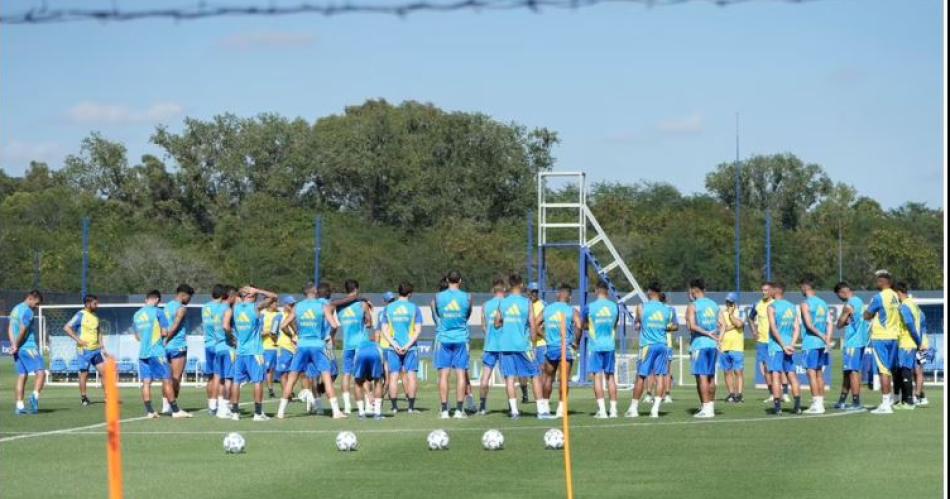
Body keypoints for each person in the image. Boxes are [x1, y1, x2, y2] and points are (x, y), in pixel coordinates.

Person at [277, 283, 345, 419]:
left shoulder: (298, 306)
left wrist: (294, 337)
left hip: (302, 345)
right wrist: (328, 337)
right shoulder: (322, 306)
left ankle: (280, 412)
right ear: (315, 292)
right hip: (318, 345)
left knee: (292, 379)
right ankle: (336, 411)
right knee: (326, 378)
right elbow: (334, 325)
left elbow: (283, 325)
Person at [493, 274, 546, 419]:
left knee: (510, 377)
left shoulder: (503, 302)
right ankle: (541, 411)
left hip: (506, 345)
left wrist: (507, 322)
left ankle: (514, 411)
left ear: (509, 285)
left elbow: (496, 323)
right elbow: (533, 325)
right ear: (521, 284)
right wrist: (534, 344)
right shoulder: (526, 302)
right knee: (535, 375)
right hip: (522, 345)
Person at [133, 290, 191, 418]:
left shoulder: (137, 315)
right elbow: (165, 332)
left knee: (146, 382)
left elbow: (137, 337)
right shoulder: (158, 312)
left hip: (143, 353)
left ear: (146, 299)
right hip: (157, 352)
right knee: (167, 380)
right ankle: (175, 410)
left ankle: (150, 411)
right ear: (157, 300)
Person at [228, 286, 277, 421]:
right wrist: (259, 290)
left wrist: (245, 291)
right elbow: (274, 297)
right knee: (258, 381)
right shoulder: (254, 308)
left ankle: (235, 413)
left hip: (240, 351)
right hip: (255, 351)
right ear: (251, 296)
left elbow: (238, 297)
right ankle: (257, 413)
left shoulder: (236, 308)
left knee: (236, 382)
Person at [626, 282, 673, 418]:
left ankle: (634, 408)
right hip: (662, 345)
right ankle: (655, 409)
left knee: (641, 376)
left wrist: (640, 324)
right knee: (661, 376)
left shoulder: (641, 307)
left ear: (651, 292)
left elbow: (638, 323)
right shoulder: (667, 310)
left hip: (647, 345)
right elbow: (671, 325)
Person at [434, 271, 474, 419]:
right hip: (461, 338)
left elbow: (439, 314)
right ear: (460, 280)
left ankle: (444, 410)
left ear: (446, 279)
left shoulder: (438, 297)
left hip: (444, 338)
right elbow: (467, 315)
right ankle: (459, 410)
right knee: (460, 374)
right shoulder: (467, 297)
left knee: (444, 374)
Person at [379, 282, 423, 415]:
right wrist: (407, 345)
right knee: (411, 376)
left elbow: (384, 330)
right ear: (410, 294)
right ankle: (410, 408)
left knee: (393, 376)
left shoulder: (389, 308)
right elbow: (418, 330)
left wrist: (394, 344)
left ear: (398, 293)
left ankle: (394, 407)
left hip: (393, 348)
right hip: (410, 348)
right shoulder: (415, 308)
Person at [539, 283, 581, 419]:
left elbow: (535, 323)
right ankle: (561, 409)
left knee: (548, 377)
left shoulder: (547, 309)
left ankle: (545, 407)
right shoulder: (572, 310)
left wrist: (544, 336)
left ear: (558, 295)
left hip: (551, 347)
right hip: (566, 348)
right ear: (569, 297)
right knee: (564, 379)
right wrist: (576, 343)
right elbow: (579, 326)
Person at [863, 270, 901, 415]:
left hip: (881, 337)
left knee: (883, 370)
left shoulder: (878, 297)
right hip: (893, 336)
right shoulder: (895, 296)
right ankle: (889, 399)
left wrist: (865, 314)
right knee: (889, 370)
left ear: (883, 282)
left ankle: (886, 404)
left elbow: (867, 315)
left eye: (878, 280)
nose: (876, 283)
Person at [336, 280, 375, 416]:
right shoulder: (362, 304)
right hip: (361, 344)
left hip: (347, 344)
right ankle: (368, 406)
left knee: (346, 374)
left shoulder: (339, 307)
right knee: (364, 375)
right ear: (357, 289)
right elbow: (369, 323)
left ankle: (347, 407)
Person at [749, 282, 790, 404]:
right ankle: (772, 394)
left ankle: (786, 394)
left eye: (766, 290)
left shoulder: (776, 304)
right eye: (762, 290)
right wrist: (754, 331)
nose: (764, 292)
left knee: (779, 368)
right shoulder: (757, 304)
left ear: (772, 290)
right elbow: (750, 318)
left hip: (775, 341)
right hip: (762, 341)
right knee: (767, 369)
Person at [63, 294, 107, 406]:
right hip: (84, 350)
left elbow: (99, 331)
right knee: (84, 374)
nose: (97, 305)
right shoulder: (80, 315)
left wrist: (101, 345)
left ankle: (108, 396)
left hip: (96, 350)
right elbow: (67, 327)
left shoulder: (95, 317)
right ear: (88, 304)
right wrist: (78, 340)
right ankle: (83, 397)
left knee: (104, 372)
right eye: (95, 303)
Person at [584, 281, 620, 419]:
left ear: (596, 290)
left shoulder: (590, 307)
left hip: (595, 346)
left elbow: (583, 325)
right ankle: (614, 410)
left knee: (597, 377)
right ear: (607, 291)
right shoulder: (614, 307)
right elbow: (614, 325)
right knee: (610, 377)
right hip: (609, 345)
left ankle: (603, 411)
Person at [766, 283, 802, 415]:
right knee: (791, 374)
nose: (768, 292)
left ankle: (777, 408)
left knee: (776, 375)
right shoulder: (792, 306)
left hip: (777, 346)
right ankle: (797, 406)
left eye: (770, 290)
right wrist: (791, 344)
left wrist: (782, 345)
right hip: (789, 345)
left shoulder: (772, 307)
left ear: (776, 291)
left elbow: (773, 328)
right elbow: (797, 327)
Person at [685, 278, 719, 418]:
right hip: (713, 345)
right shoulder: (714, 305)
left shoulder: (693, 305)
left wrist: (706, 333)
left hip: (700, 344)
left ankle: (706, 408)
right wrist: (718, 338)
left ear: (694, 290)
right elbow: (722, 324)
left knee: (702, 377)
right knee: (710, 377)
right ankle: (709, 407)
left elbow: (692, 326)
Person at [833, 282, 868, 411]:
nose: (840, 298)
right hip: (860, 341)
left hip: (853, 341)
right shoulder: (859, 301)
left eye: (839, 295)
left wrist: (843, 319)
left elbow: (839, 324)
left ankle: (856, 402)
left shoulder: (849, 304)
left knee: (852, 371)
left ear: (842, 292)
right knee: (848, 371)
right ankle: (842, 400)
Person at [799, 278, 832, 414]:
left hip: (811, 342)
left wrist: (822, 336)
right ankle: (820, 403)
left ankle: (816, 404)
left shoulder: (805, 304)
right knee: (819, 374)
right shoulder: (823, 303)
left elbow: (809, 325)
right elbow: (830, 323)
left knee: (811, 373)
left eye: (801, 287)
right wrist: (827, 339)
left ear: (805, 288)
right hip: (821, 344)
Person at [9, 290, 45, 415]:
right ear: (30, 298)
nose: (37, 306)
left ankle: (19, 406)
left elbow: (10, 328)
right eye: (37, 303)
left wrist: (13, 345)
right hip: (27, 346)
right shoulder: (28, 311)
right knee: (41, 372)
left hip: (18, 348)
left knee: (22, 375)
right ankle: (34, 396)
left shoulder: (15, 309)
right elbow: (23, 330)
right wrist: (17, 345)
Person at [162, 283, 194, 415]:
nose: (189, 300)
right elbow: (175, 326)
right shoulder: (181, 308)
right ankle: (173, 407)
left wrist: (163, 341)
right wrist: (168, 338)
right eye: (189, 297)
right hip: (177, 345)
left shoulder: (166, 306)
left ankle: (165, 405)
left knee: (166, 377)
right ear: (184, 295)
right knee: (176, 377)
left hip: (165, 347)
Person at [894, 282, 925, 410]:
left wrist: (919, 342)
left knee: (905, 371)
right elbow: (922, 320)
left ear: (898, 292)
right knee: (905, 370)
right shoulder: (914, 305)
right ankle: (904, 401)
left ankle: (909, 401)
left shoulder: (904, 306)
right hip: (911, 342)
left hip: (906, 342)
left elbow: (910, 326)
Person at [478, 279, 507, 415]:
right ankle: (512, 406)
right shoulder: (506, 304)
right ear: (504, 290)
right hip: (504, 346)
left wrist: (490, 335)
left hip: (489, 345)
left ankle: (482, 407)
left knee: (485, 377)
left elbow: (483, 326)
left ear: (493, 291)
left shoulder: (485, 305)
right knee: (509, 378)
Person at [213, 286, 240, 419]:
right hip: (227, 347)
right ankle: (226, 408)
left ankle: (220, 407)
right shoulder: (228, 309)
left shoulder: (217, 309)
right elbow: (225, 326)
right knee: (230, 379)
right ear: (231, 296)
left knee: (222, 379)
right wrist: (232, 339)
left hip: (218, 347)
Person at [201, 284, 226, 415]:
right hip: (218, 344)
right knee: (219, 377)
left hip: (207, 344)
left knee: (210, 377)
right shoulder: (223, 308)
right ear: (223, 295)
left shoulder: (205, 307)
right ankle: (218, 405)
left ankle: (210, 403)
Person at [718, 292, 745, 404]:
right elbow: (721, 327)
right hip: (724, 346)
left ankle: (739, 394)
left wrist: (730, 316)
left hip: (737, 346)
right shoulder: (721, 313)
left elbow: (739, 324)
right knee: (727, 371)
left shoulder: (741, 312)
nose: (728, 304)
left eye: (731, 302)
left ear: (735, 303)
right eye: (727, 302)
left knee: (738, 371)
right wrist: (731, 325)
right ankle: (731, 393)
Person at [526, 281, 545, 403]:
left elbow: (544, 323)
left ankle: (542, 397)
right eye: (532, 291)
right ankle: (531, 395)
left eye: (536, 291)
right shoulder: (524, 305)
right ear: (528, 292)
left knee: (541, 370)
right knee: (531, 372)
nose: (534, 294)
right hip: (527, 344)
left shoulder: (543, 305)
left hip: (541, 343)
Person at [260, 298, 282, 398]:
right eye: (275, 302)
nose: (277, 304)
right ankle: (270, 389)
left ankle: (286, 390)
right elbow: (258, 333)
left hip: (280, 346)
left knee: (280, 369)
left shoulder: (279, 315)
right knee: (269, 369)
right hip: (267, 346)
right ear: (269, 304)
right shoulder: (262, 315)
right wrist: (268, 333)